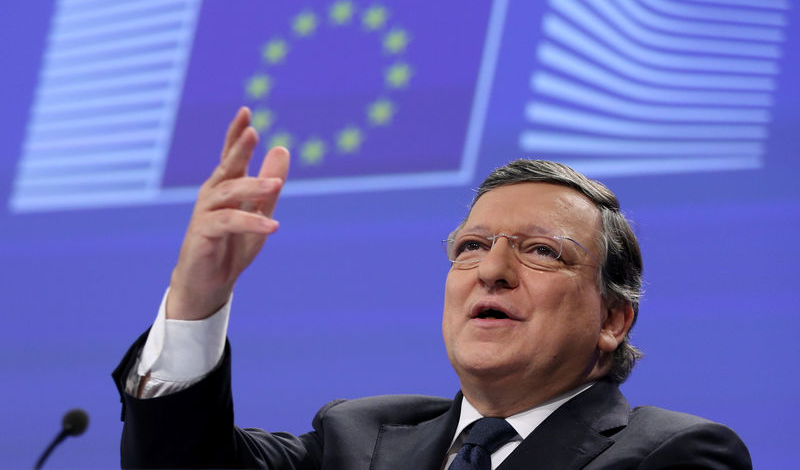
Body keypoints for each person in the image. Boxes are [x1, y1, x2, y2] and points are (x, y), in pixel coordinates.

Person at [113, 107, 752, 469]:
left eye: (540, 251)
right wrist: (197, 296)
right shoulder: (356, 439)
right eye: (471, 247)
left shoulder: (675, 455)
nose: (491, 270)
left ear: (613, 319)